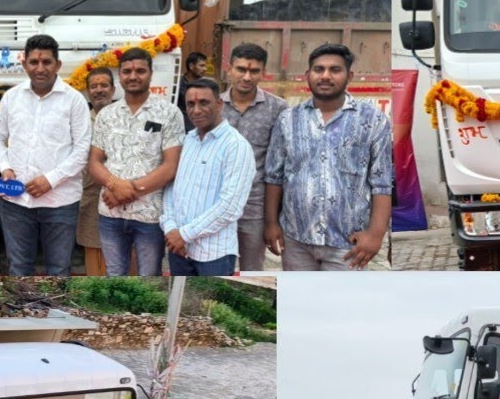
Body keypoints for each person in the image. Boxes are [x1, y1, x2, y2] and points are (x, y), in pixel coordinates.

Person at [264, 44, 393, 271]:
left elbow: (382, 183)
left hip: (348, 245)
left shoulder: (373, 121)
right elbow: (274, 176)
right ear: (308, 75)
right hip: (296, 240)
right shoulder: (288, 120)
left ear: (349, 76)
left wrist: (375, 235)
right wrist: (271, 223)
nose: (325, 76)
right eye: (318, 69)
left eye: (335, 70)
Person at [0, 34, 91, 276]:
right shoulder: (11, 98)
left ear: (58, 65)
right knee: (19, 268)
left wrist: (50, 180)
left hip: (60, 201)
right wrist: (5, 169)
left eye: (46, 62)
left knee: (59, 269)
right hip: (16, 202)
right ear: (24, 64)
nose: (40, 69)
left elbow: (82, 149)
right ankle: (21, 313)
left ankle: (55, 312)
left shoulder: (74, 100)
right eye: (34, 62)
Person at [88, 49, 183, 277]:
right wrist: (114, 184)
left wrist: (126, 191)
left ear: (151, 74)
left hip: (149, 214)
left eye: (140, 71)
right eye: (127, 71)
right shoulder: (107, 115)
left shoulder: (169, 113)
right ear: (119, 75)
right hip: (110, 213)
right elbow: (94, 161)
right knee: (114, 275)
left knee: (148, 277)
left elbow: (170, 167)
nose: (133, 76)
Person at [161, 78, 254, 276]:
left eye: (204, 103)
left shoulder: (236, 146)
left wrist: (184, 234)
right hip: (179, 250)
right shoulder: (188, 140)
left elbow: (230, 206)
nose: (196, 110)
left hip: (214, 255)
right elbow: (171, 188)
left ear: (219, 104)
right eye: (191, 104)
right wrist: (170, 228)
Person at [222, 43, 287, 272]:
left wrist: (272, 221)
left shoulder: (277, 109)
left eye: (254, 71)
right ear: (229, 69)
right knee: (217, 269)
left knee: (252, 270)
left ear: (263, 73)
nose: (247, 77)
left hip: (254, 208)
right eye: (241, 69)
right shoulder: (214, 106)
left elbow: (277, 168)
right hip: (216, 207)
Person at [78, 67, 116, 276]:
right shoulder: (80, 120)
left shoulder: (123, 118)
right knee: (94, 254)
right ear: (88, 91)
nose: (99, 90)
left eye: (104, 85)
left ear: (113, 90)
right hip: (90, 195)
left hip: (120, 196)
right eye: (94, 86)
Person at [176, 51, 207, 132]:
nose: (205, 69)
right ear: (191, 66)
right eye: (201, 66)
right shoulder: (178, 86)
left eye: (205, 66)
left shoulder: (205, 86)